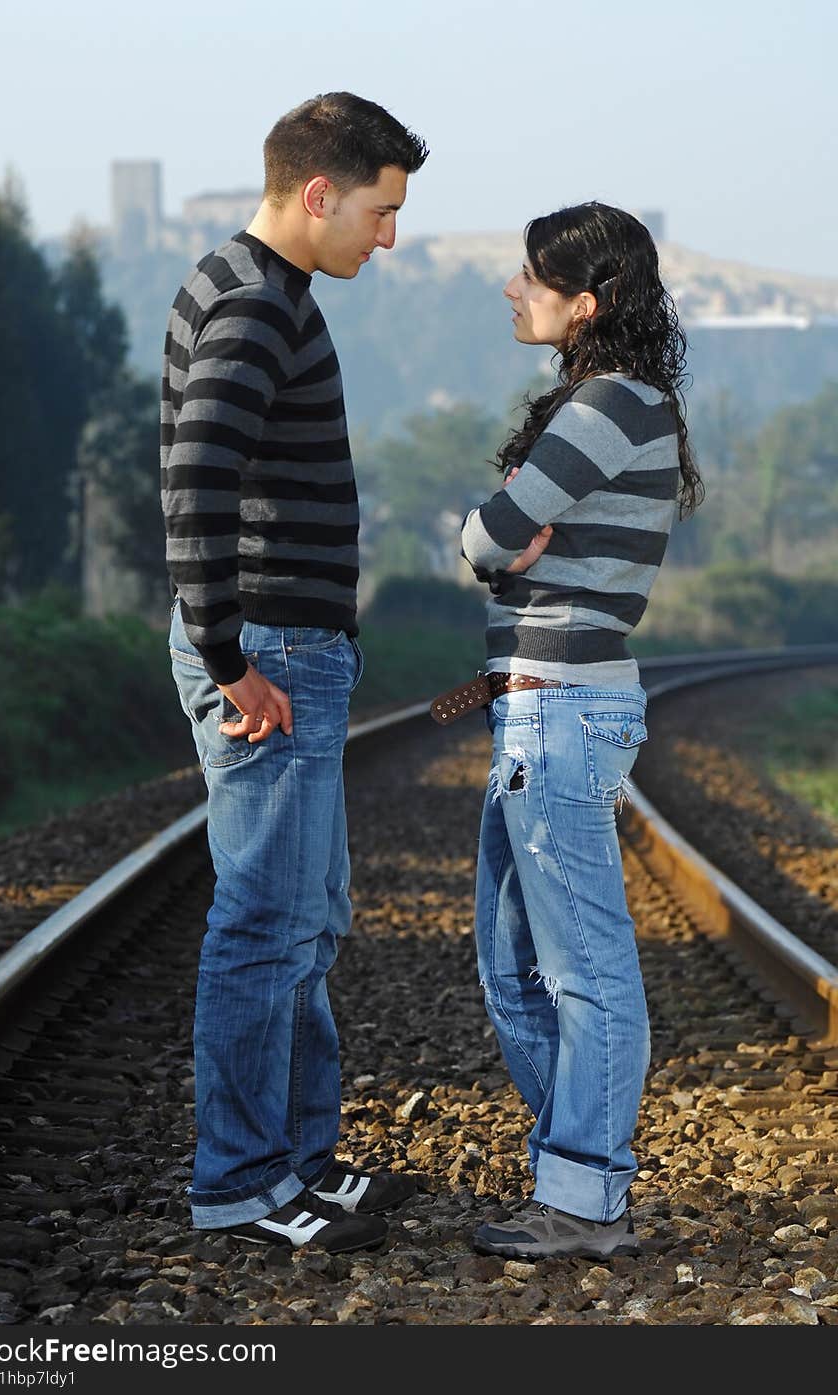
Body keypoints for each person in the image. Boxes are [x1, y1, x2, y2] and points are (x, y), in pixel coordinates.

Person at [161, 93, 428, 1254]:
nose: (387, 237)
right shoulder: (256, 306)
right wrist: (228, 656)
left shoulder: (251, 287)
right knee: (266, 927)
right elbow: (195, 482)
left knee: (304, 921)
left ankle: (300, 1164)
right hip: (267, 651)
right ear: (318, 193)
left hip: (282, 646)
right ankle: (240, 1187)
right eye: (378, 211)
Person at [455, 202, 702, 1260]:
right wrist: (504, 539)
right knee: (512, 962)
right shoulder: (607, 405)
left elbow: (483, 539)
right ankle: (572, 1165)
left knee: (584, 967)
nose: (512, 288)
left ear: (584, 301)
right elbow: (498, 546)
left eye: (530, 277)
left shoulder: (606, 407)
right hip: (539, 702)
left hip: (562, 705)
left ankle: (584, 1196)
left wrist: (502, 530)